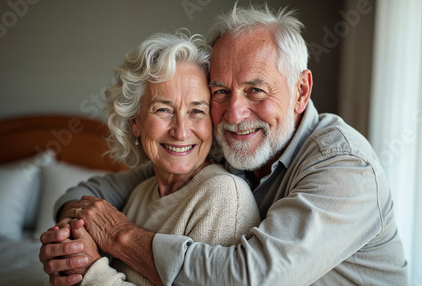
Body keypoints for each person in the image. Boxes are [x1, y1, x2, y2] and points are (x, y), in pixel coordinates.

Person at [41, 4, 409, 286]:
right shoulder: (231, 148)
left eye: (255, 90)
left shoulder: (344, 166)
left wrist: (119, 238)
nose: (234, 112)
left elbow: (250, 277)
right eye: (220, 91)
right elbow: (97, 191)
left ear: (300, 91)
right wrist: (72, 239)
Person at [39, 30, 260, 285]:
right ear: (135, 123)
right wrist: (69, 258)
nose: (181, 131)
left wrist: (90, 271)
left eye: (197, 111)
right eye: (163, 109)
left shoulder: (223, 195)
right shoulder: (141, 193)